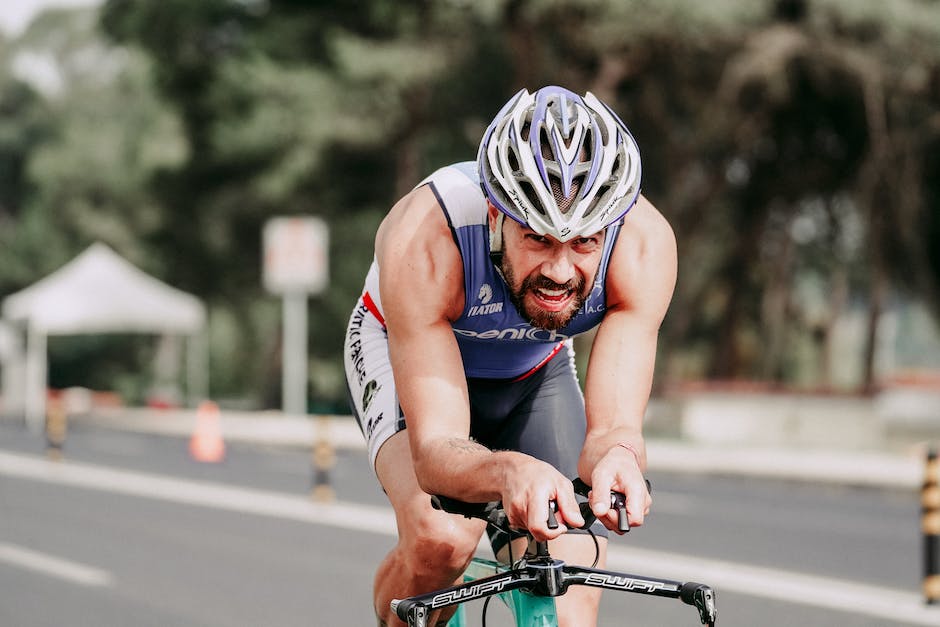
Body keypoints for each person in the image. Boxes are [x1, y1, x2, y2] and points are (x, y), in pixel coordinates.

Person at [343, 85, 677, 626]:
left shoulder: (644, 247)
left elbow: (614, 427)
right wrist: (508, 472)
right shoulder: (426, 238)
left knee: (571, 587)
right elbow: (435, 452)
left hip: (533, 373)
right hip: (409, 362)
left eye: (586, 243)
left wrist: (619, 458)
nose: (562, 270)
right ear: (497, 217)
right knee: (442, 542)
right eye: (538, 239)